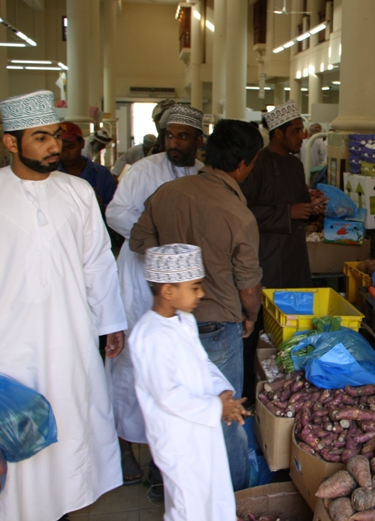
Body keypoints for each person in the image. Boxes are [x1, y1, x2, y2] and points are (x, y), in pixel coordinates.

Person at [0, 90, 127, 521]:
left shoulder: (79, 191)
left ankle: (61, 508)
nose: (53, 147)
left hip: (69, 338)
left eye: (56, 137)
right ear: (11, 143)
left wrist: (110, 324)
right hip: (3, 344)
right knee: (10, 434)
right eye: (41, 138)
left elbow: (97, 263)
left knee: (68, 430)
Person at [129, 119, 265, 492]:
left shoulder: (166, 193)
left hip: (173, 320)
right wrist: (251, 317)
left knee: (172, 406)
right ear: (242, 165)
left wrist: (173, 269)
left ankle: (163, 480)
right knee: (226, 414)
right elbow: (249, 286)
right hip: (220, 324)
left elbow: (138, 241)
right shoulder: (239, 215)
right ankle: (236, 496)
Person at [105, 104, 205, 489]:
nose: (174, 143)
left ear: (199, 140)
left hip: (182, 286)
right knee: (132, 362)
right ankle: (125, 444)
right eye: (169, 135)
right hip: (139, 278)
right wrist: (159, 238)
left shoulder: (201, 173)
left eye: (183, 136)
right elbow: (116, 213)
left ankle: (162, 458)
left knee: (172, 367)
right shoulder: (145, 170)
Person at [130, 243, 250, 521]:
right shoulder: (149, 336)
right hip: (178, 438)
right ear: (168, 290)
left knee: (212, 496)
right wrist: (215, 408)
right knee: (189, 505)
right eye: (195, 286)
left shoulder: (184, 320)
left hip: (200, 428)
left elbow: (203, 364)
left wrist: (223, 393)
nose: (202, 293)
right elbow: (167, 396)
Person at [240, 99, 327, 289]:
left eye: (301, 130)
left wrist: (312, 206)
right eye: (295, 131)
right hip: (267, 254)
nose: (302, 137)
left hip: (295, 253)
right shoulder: (257, 165)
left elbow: (299, 204)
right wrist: (288, 212)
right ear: (278, 134)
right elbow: (244, 213)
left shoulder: (295, 165)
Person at [57, 121, 118, 212]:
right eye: (60, 148)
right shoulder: (48, 175)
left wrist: (101, 207)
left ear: (82, 144)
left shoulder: (102, 174)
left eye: (70, 147)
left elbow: (116, 210)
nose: (65, 154)